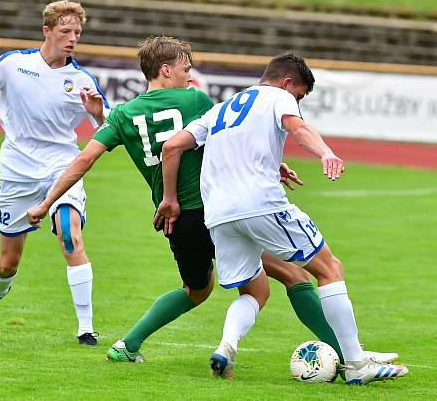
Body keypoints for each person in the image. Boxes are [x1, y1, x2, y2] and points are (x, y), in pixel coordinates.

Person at [26, 37, 397, 368]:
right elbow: (214, 136)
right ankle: (352, 356)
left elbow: (83, 160)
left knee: (198, 289)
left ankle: (128, 344)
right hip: (213, 208)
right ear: (166, 69)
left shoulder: (123, 114)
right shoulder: (195, 100)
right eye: (186, 69)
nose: (190, 77)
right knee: (296, 276)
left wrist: (45, 203)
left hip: (175, 219)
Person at [156, 53, 408, 384]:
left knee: (253, 291)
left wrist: (169, 198)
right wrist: (326, 153)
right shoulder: (278, 97)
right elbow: (297, 126)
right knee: (329, 269)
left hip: (217, 214)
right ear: (287, 83)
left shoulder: (221, 108)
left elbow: (172, 147)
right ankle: (357, 364)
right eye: (299, 96)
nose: (297, 101)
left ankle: (226, 348)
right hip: (261, 204)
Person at [0, 0, 109, 346]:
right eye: (65, 31)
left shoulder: (81, 80)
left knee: (69, 236)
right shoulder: (14, 65)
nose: (72, 38)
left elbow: (108, 128)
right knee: (8, 261)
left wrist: (97, 114)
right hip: (16, 170)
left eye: (77, 32)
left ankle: (86, 329)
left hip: (61, 166)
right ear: (47, 31)